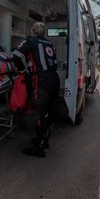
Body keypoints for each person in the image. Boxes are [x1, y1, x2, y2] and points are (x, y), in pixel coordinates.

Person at [13, 22, 60, 158]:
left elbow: (16, 55)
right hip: (54, 79)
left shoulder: (30, 41)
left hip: (41, 81)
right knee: (50, 112)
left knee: (39, 113)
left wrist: (23, 69)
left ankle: (38, 148)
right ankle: (44, 140)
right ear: (44, 32)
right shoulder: (50, 44)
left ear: (33, 31)